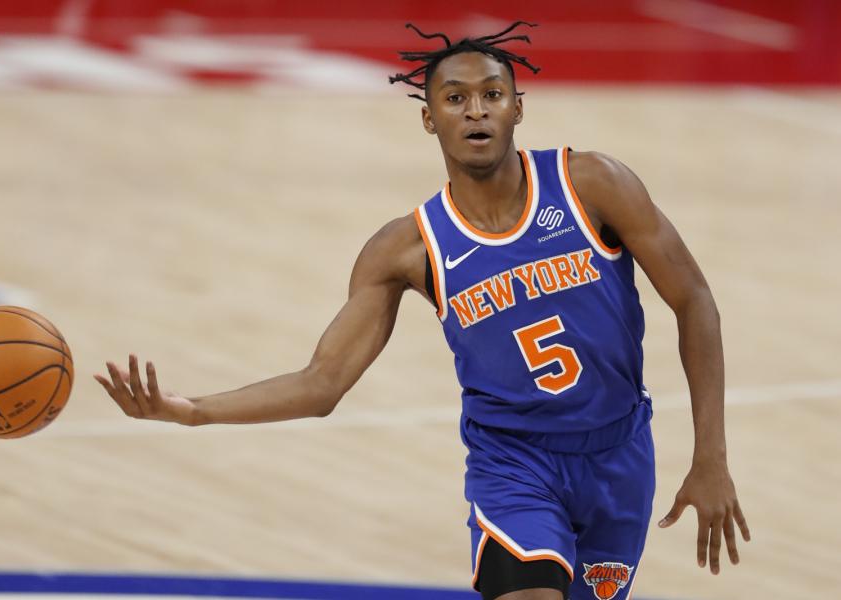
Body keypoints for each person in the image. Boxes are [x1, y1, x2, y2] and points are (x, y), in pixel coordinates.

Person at [95, 22, 750, 600]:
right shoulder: (406, 248)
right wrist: (193, 411)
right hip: (513, 465)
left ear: (518, 108)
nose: (475, 111)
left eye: (492, 95)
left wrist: (711, 457)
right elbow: (323, 383)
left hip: (619, 455)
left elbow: (693, 300)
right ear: (429, 117)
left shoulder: (592, 184)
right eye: (455, 98)